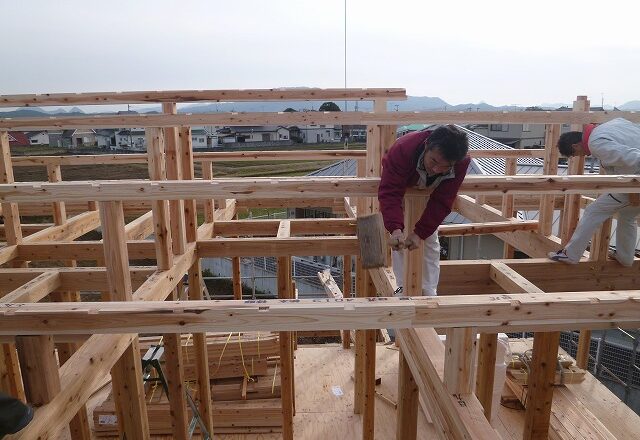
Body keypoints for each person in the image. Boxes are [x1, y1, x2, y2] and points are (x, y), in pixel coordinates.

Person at [378, 125, 470, 296]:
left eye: (445, 167)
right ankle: (402, 288)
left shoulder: (461, 162)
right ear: (427, 145)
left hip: (430, 190)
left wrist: (420, 233)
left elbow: (442, 201)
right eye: (434, 161)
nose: (436, 169)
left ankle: (429, 291)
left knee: (430, 241)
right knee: (400, 240)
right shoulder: (403, 149)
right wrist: (395, 228)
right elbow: (390, 192)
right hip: (404, 182)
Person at [548, 118, 640, 266]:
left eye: (576, 154)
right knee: (628, 215)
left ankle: (570, 255)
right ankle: (626, 258)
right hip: (632, 179)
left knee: (593, 211)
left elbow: (635, 157)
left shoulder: (596, 143)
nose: (582, 156)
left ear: (576, 145)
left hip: (636, 180)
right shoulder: (610, 125)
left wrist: (635, 187)